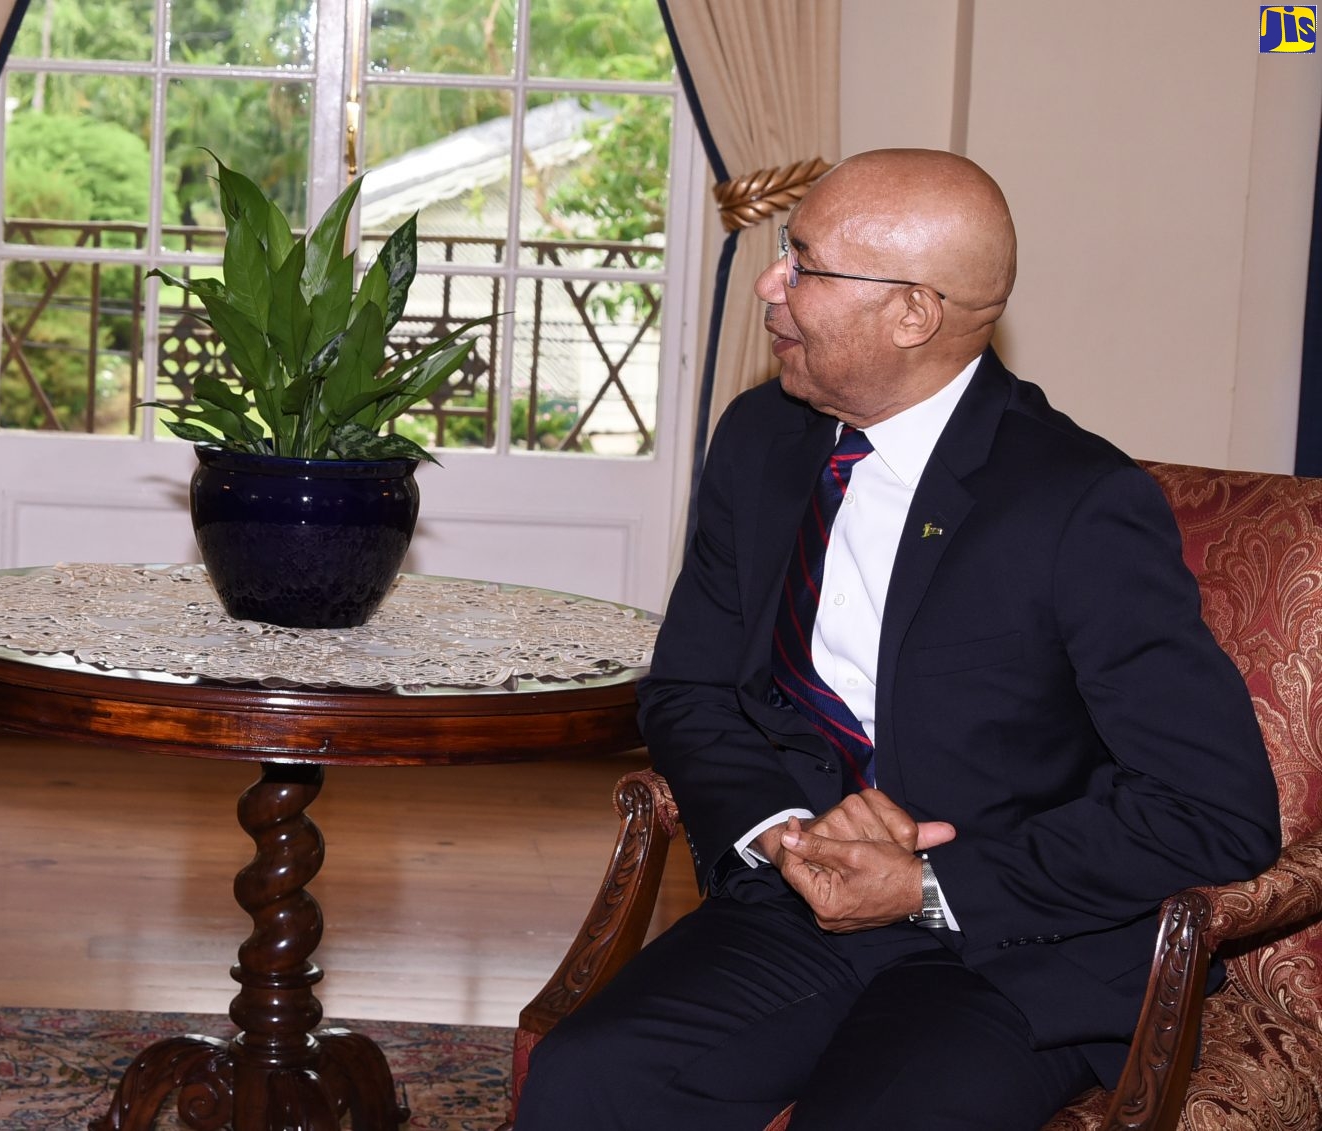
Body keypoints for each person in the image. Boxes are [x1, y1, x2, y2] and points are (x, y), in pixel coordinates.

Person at [514, 149, 1281, 1130]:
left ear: (911, 314)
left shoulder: (1074, 504)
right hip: (800, 902)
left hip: (1017, 942)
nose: (768, 285)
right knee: (590, 1079)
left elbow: (1211, 811)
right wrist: (780, 834)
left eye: (802, 263)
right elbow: (689, 692)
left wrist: (923, 883)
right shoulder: (762, 442)